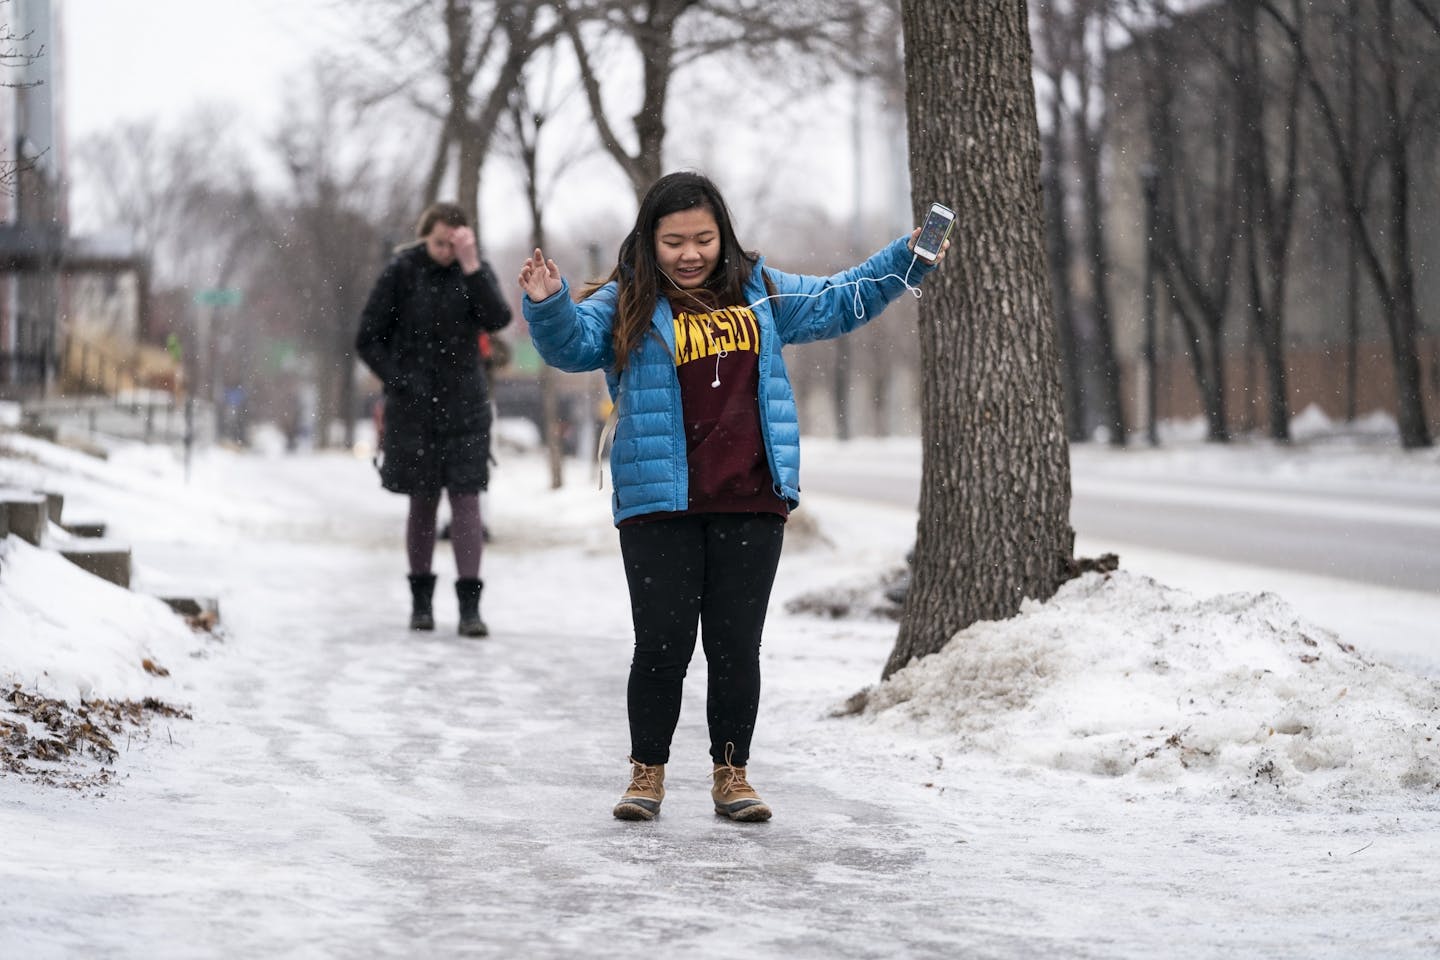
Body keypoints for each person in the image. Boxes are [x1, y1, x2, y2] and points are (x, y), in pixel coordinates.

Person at [517, 171, 948, 822]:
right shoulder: (627, 301)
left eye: (703, 239)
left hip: (749, 496)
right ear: (650, 242)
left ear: (723, 236)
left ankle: (732, 775)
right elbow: (572, 345)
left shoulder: (761, 292)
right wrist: (548, 303)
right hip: (660, 500)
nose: (689, 254)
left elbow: (840, 298)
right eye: (673, 242)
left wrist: (906, 256)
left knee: (734, 646)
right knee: (661, 645)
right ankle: (647, 774)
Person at [357, 201, 512, 637]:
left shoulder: (474, 270)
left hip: (466, 405)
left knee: (467, 499)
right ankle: (420, 604)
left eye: (454, 243)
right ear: (425, 235)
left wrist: (471, 266)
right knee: (422, 500)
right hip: (414, 407)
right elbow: (367, 338)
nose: (446, 250)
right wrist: (399, 380)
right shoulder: (401, 271)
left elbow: (498, 317)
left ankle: (469, 609)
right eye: (439, 242)